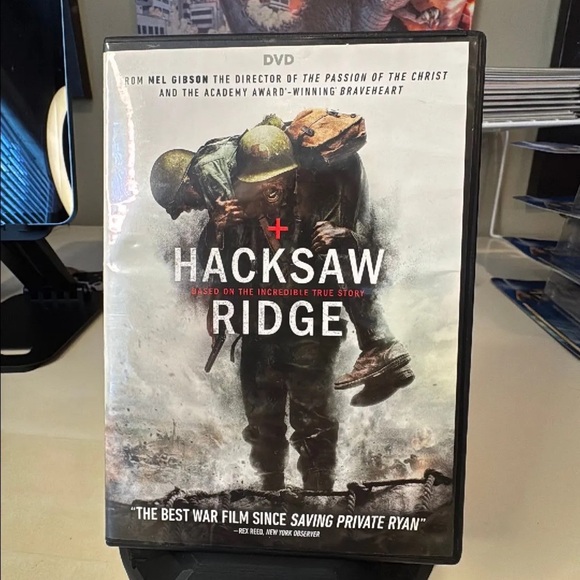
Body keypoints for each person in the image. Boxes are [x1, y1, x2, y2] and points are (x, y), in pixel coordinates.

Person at [150, 123, 414, 489]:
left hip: (308, 323)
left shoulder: (312, 196)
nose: (192, 208)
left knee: (312, 417)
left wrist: (345, 239)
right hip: (258, 325)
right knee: (262, 419)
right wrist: (220, 235)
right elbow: (210, 261)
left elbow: (368, 259)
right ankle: (271, 493)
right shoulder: (226, 212)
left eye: (187, 201)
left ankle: (319, 497)